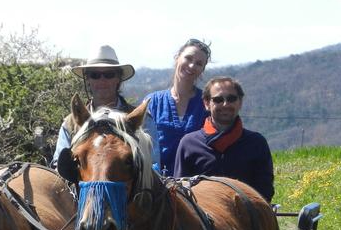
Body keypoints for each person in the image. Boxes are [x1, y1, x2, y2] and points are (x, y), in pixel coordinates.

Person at [173, 76, 274, 202]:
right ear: (206, 103)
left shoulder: (256, 143)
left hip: (247, 212)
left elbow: (265, 192)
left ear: (240, 102)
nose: (225, 104)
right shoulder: (189, 144)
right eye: (218, 100)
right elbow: (181, 192)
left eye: (231, 99)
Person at [52, 45, 158, 164]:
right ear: (88, 79)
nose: (102, 80)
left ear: (118, 78)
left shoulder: (143, 121)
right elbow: (59, 164)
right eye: (95, 75)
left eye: (109, 74)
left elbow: (154, 164)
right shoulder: (70, 125)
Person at [144, 38, 211, 176]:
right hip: (156, 183)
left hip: (196, 183)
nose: (192, 65)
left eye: (199, 63)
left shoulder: (207, 104)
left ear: (202, 70)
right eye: (188, 58)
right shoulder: (152, 102)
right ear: (177, 58)